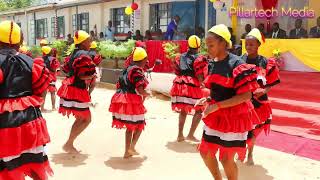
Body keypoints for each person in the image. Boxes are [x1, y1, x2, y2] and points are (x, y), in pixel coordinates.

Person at [196, 24, 259, 180]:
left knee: (226, 158)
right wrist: (208, 99)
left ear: (223, 43)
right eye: (207, 45)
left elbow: (245, 96)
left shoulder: (237, 65)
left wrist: (216, 106)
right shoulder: (213, 63)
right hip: (216, 115)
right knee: (205, 152)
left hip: (234, 117)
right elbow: (219, 90)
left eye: (211, 45)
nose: (208, 49)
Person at [0, 20, 53, 179]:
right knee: (35, 163)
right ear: (20, 42)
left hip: (5, 124)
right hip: (31, 119)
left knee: (9, 168)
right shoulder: (31, 62)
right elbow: (40, 90)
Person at [242, 28, 281, 165]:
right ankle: (239, 151)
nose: (248, 47)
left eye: (251, 44)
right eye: (246, 44)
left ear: (258, 44)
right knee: (241, 129)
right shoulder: (240, 61)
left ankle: (250, 154)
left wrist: (264, 91)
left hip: (259, 104)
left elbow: (272, 82)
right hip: (242, 102)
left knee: (253, 130)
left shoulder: (266, 62)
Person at [58, 30, 96, 153]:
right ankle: (68, 143)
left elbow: (66, 69)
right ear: (83, 42)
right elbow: (81, 75)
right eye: (89, 40)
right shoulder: (84, 54)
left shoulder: (74, 53)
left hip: (70, 87)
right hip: (77, 89)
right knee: (86, 119)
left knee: (81, 118)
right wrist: (91, 76)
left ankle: (69, 143)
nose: (90, 42)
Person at [109, 47, 150, 158]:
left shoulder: (127, 69)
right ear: (143, 59)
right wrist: (148, 94)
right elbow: (140, 90)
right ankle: (131, 147)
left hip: (121, 98)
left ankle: (127, 151)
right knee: (139, 124)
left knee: (130, 127)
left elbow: (119, 85)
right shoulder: (137, 70)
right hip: (131, 100)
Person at [170, 35, 208, 142]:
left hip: (180, 85)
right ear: (199, 46)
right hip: (192, 85)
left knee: (183, 110)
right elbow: (200, 75)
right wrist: (202, 84)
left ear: (188, 45)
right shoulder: (199, 58)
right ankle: (190, 134)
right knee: (199, 110)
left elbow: (177, 71)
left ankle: (180, 135)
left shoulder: (180, 57)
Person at [41, 46, 60, 111]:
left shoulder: (42, 58)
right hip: (51, 77)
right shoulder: (53, 59)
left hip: (44, 77)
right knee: (52, 92)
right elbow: (55, 68)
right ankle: (53, 107)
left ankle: (42, 108)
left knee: (44, 92)